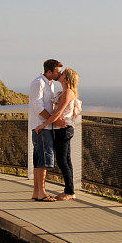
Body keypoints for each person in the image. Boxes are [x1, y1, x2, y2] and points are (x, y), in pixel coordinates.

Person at [36, 68, 81, 200]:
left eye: (62, 74)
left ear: (67, 78)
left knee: (63, 161)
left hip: (64, 130)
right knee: (65, 160)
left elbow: (57, 113)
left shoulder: (68, 93)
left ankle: (69, 192)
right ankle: (69, 190)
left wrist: (43, 124)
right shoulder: (63, 92)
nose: (60, 75)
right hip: (62, 130)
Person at [29, 59, 65, 201]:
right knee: (44, 160)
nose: (59, 73)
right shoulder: (39, 83)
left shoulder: (49, 84)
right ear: (49, 71)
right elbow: (38, 107)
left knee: (39, 160)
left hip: (43, 126)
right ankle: (42, 193)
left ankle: (36, 192)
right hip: (41, 126)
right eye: (57, 71)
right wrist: (54, 119)